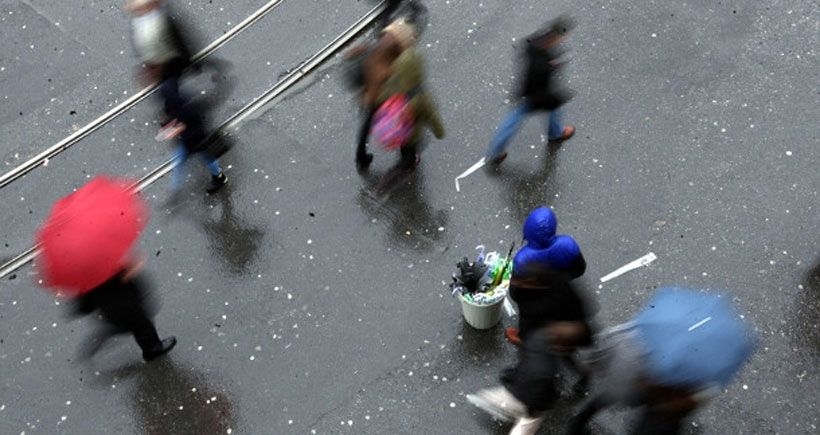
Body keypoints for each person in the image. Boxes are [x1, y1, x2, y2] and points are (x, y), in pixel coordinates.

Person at [467, 207, 593, 434]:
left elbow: (516, 293)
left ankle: (523, 379)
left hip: (535, 314)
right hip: (561, 310)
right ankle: (584, 375)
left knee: (534, 343)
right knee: (564, 350)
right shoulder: (568, 247)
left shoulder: (525, 259)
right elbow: (579, 269)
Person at [125, 0, 227, 195]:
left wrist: (177, 124)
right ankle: (185, 184)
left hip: (176, 82)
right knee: (192, 149)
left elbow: (182, 42)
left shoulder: (164, 22)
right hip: (182, 113)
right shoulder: (140, 24)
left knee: (190, 149)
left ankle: (179, 187)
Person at [486, 17, 576, 165]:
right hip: (535, 94)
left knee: (549, 108)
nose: (563, 39)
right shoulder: (540, 62)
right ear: (556, 36)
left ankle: (555, 133)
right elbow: (539, 78)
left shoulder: (539, 42)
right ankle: (495, 152)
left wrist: (552, 65)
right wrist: (552, 68)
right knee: (517, 118)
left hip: (532, 90)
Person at [72, 260, 176, 362]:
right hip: (129, 306)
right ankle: (152, 349)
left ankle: (149, 348)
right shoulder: (109, 264)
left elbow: (85, 307)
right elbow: (129, 277)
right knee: (142, 326)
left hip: (112, 313)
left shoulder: (85, 282)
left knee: (126, 327)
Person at [353, 18, 418, 172]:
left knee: (368, 119)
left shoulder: (376, 46)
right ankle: (408, 157)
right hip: (384, 91)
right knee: (404, 118)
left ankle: (361, 156)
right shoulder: (400, 48)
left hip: (370, 93)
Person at [375, 44, 445, 172]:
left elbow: (383, 95)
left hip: (397, 125)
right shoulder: (422, 96)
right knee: (411, 148)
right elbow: (432, 116)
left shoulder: (395, 82)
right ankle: (408, 165)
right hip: (413, 132)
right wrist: (439, 132)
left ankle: (405, 160)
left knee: (404, 146)